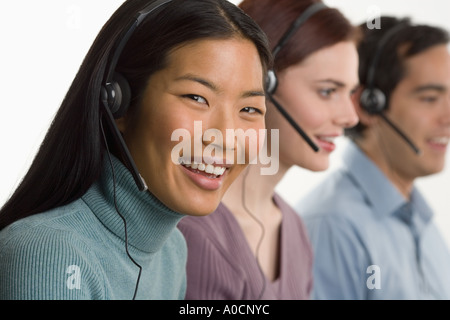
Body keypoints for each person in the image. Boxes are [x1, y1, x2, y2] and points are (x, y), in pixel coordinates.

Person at [0, 0, 272, 300]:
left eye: (249, 108)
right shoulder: (50, 253)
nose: (227, 137)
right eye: (196, 97)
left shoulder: (171, 252)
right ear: (117, 102)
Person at [178, 0, 360, 299]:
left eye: (350, 93)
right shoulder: (191, 231)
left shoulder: (295, 229)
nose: (350, 117)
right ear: (263, 82)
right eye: (328, 91)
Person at [298, 16, 450, 299]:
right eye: (430, 98)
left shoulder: (423, 222)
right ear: (369, 105)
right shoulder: (333, 226)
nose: (448, 117)